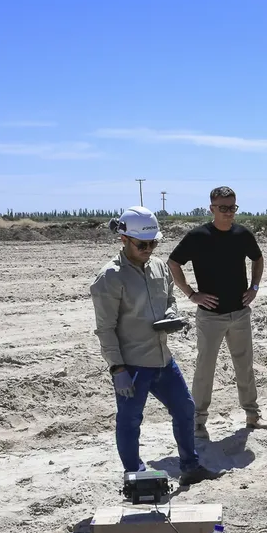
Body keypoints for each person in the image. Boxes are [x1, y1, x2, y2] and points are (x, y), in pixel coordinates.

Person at [89, 206, 218, 486]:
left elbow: (170, 298)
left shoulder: (159, 267)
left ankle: (191, 467)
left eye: (153, 244)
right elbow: (105, 329)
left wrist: (171, 314)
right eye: (142, 244)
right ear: (124, 239)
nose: (148, 249)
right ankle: (135, 475)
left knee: (185, 409)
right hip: (132, 365)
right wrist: (117, 368)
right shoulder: (110, 277)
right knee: (130, 420)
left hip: (162, 359)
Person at [167, 186, 267, 440]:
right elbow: (173, 263)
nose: (228, 212)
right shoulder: (198, 236)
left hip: (240, 313)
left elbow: (258, 258)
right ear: (211, 208)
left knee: (245, 366)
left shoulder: (242, 234)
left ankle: (252, 415)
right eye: (223, 207)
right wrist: (191, 294)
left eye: (232, 207)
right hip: (210, 316)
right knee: (205, 368)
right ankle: (198, 422)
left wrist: (254, 287)